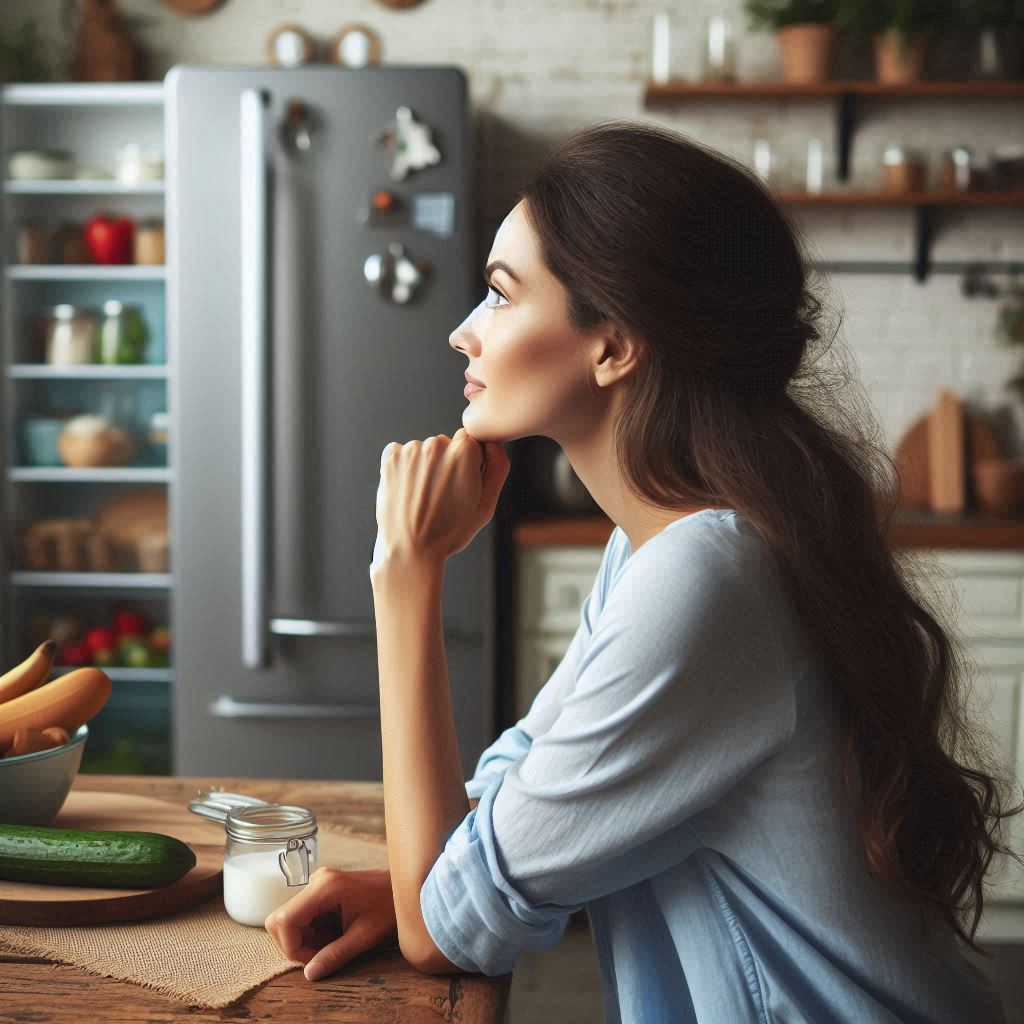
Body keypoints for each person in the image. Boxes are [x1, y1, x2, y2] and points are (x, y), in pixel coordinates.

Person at [264, 121, 1019, 1022]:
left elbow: (444, 935)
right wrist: (415, 883)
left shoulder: (703, 579)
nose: (465, 333)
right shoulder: (661, 547)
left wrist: (406, 575)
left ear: (614, 346)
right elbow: (527, 784)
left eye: (502, 296)